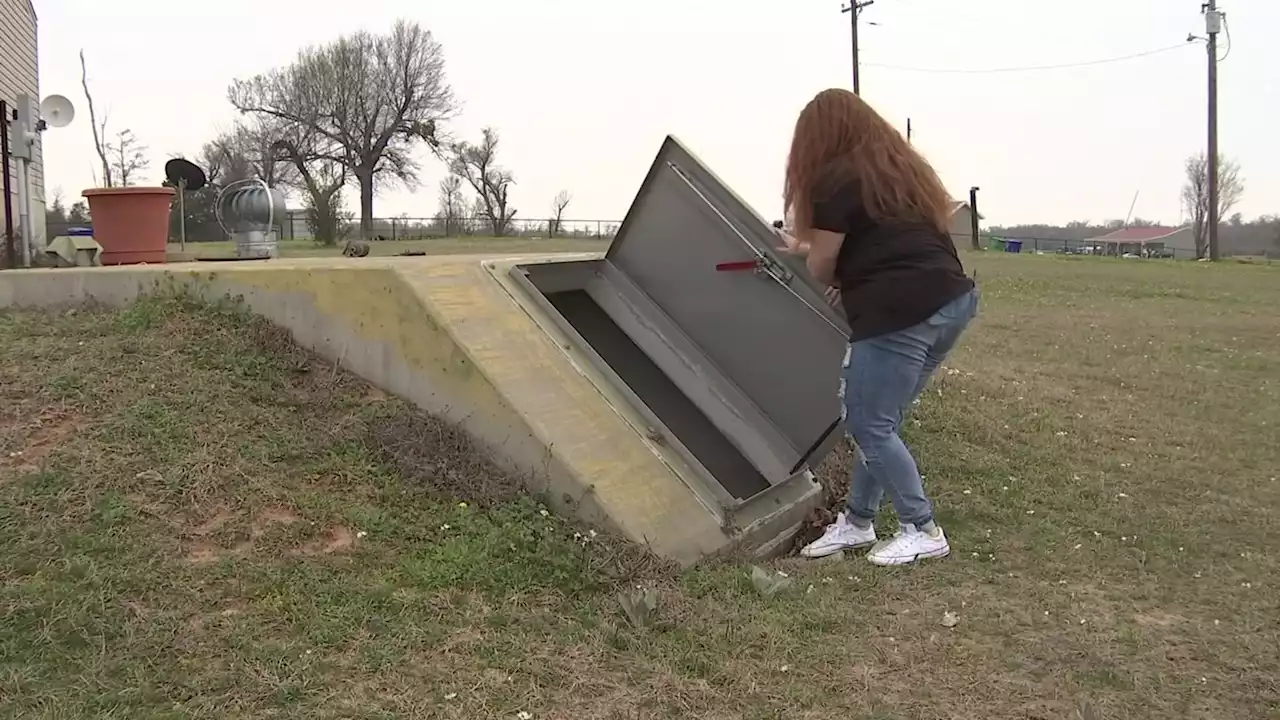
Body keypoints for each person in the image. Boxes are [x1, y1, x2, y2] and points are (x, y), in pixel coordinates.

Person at [777, 88, 979, 566]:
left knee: (868, 421)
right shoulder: (899, 175)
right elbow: (884, 246)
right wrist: (835, 263)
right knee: (880, 423)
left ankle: (921, 528)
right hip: (951, 302)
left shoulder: (833, 178)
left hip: (900, 311)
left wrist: (820, 261)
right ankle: (857, 523)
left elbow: (825, 265)